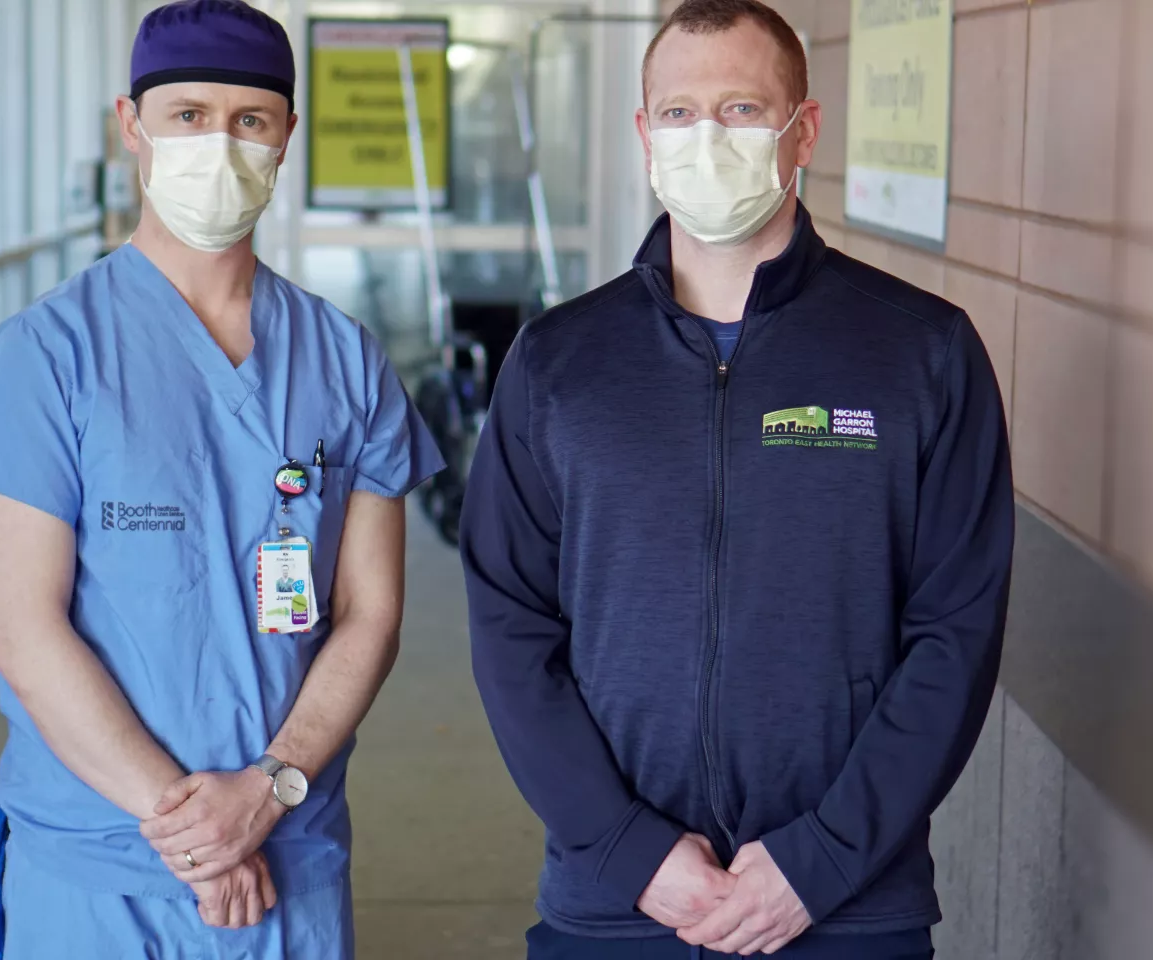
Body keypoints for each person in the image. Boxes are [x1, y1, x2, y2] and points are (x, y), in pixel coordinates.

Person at [460, 0, 1013, 956]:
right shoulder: (560, 363)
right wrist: (630, 851)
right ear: (644, 134)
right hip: (617, 906)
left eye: (743, 110)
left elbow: (954, 635)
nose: (706, 137)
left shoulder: (920, 353)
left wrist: (820, 861)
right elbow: (512, 628)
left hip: (845, 907)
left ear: (805, 131)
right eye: (678, 113)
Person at [0, 1, 442, 956]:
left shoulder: (345, 362)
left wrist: (269, 791)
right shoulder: (43, 360)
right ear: (132, 127)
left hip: (293, 854)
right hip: (100, 873)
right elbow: (23, 635)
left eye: (249, 120)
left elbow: (372, 614)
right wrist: (197, 830)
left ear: (287, 139)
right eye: (189, 115)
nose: (220, 144)